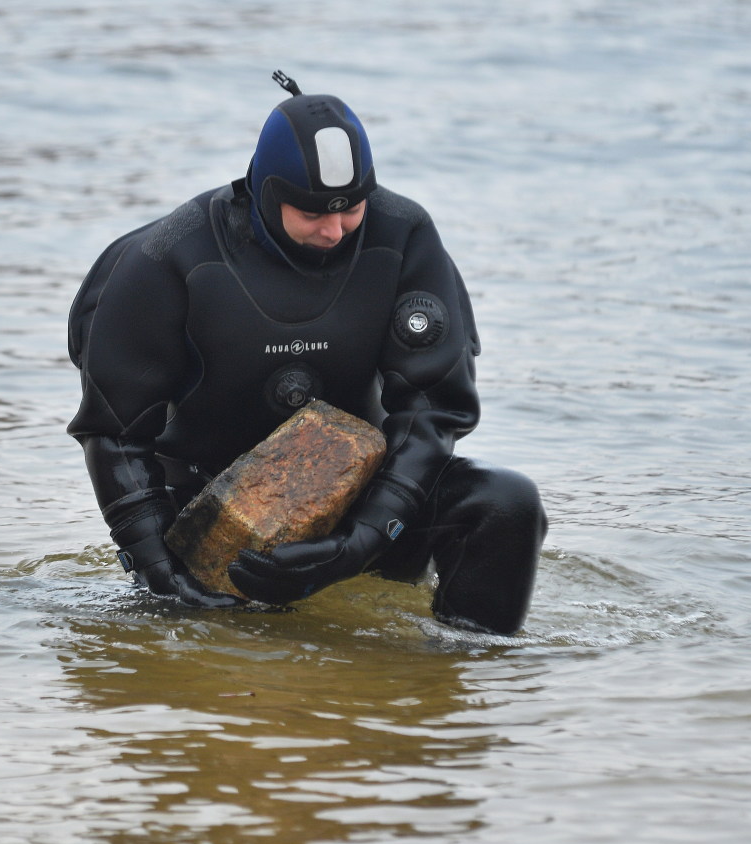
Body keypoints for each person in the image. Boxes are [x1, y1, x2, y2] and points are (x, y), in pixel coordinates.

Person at [67, 71, 549, 635]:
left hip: (363, 507)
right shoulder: (170, 255)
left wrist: (362, 539)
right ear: (266, 191)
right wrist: (158, 573)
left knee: (507, 504)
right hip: (208, 516)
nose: (336, 230)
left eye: (351, 209)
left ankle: (455, 676)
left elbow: (431, 411)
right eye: (313, 212)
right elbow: (116, 433)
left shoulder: (403, 235)